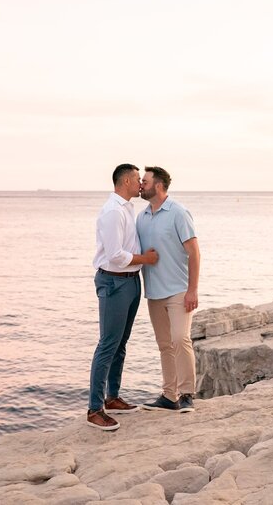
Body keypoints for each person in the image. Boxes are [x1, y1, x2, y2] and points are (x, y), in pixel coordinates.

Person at [88, 163, 159, 431]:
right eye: (138, 179)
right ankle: (94, 409)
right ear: (127, 181)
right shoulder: (112, 212)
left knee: (120, 343)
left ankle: (112, 397)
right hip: (114, 283)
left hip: (131, 281)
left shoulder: (128, 208)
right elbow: (115, 254)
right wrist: (147, 259)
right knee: (107, 345)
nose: (141, 184)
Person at [137, 166, 200, 413]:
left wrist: (192, 289)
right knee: (164, 344)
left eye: (145, 181)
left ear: (159, 185)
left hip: (178, 290)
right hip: (153, 292)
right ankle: (169, 395)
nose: (141, 184)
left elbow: (194, 252)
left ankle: (187, 394)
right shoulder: (141, 217)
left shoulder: (178, 212)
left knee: (180, 339)